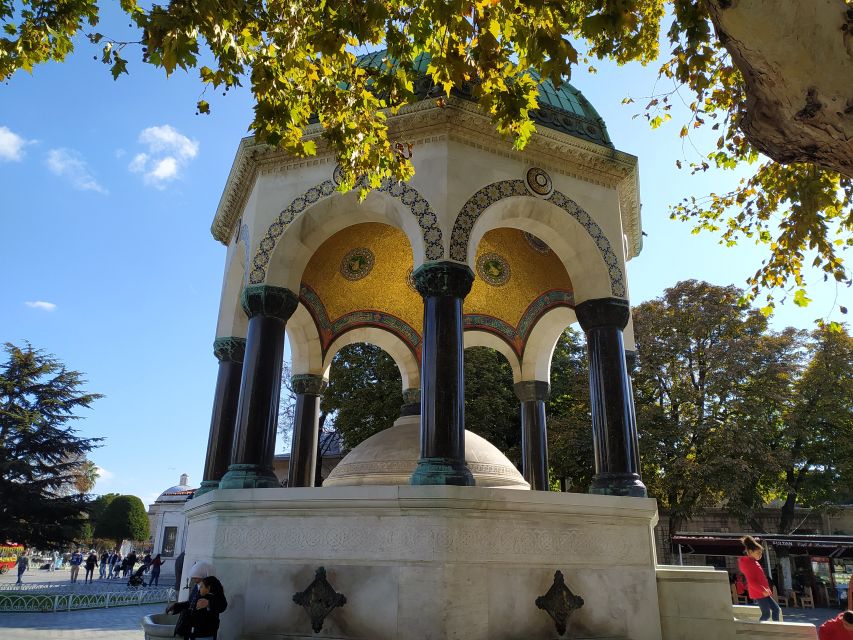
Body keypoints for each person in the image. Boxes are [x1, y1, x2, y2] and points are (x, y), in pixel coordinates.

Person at [167, 566, 222, 640]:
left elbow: (222, 605)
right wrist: (176, 606)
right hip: (192, 630)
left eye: (196, 578)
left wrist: (209, 603)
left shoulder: (216, 590)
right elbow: (191, 603)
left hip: (205, 632)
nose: (194, 580)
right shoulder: (198, 587)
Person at [738, 535, 781, 622]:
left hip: (762, 592)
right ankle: (761, 628)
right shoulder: (749, 564)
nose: (760, 556)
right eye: (758, 553)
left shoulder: (753, 562)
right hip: (759, 592)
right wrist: (762, 590)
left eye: (761, 553)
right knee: (766, 614)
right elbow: (751, 582)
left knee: (776, 610)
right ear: (750, 552)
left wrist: (765, 590)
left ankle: (776, 627)